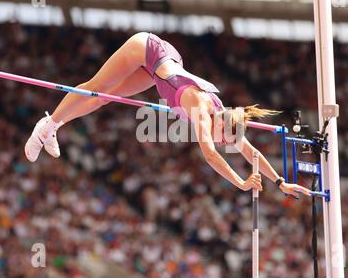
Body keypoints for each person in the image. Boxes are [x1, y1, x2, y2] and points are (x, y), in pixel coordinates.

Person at [25, 32, 311, 197]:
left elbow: (251, 152)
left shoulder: (223, 118)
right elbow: (210, 155)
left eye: (225, 142)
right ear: (219, 125)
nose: (223, 144)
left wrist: (280, 182)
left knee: (103, 100)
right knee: (96, 88)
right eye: (223, 141)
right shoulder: (201, 110)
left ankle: (53, 127)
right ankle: (47, 124)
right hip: (147, 48)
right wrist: (241, 183)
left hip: (164, 65)